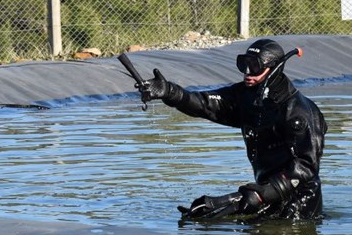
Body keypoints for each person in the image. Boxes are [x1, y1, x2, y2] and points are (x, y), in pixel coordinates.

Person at [137, 38, 326, 220]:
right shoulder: (245, 97)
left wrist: (260, 195)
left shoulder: (299, 112)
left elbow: (307, 167)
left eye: (255, 66)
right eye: (244, 64)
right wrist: (170, 92)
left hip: (300, 202)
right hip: (263, 192)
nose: (247, 72)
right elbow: (205, 104)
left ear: (274, 69)